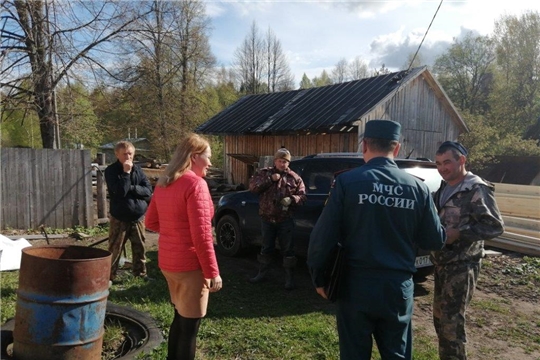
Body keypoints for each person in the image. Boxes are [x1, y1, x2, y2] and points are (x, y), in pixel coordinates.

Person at [307, 120, 446, 359]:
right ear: (397, 148)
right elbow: (434, 239)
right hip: (397, 288)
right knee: (397, 354)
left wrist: (319, 277)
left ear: (364, 146)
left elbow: (323, 237)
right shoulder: (418, 188)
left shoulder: (347, 183)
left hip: (355, 286)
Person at [145, 133, 222, 360]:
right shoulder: (196, 184)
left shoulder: (165, 182)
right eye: (208, 157)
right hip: (189, 267)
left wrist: (174, 231)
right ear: (195, 157)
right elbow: (202, 236)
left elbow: (150, 222)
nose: (210, 162)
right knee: (190, 329)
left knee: (180, 318)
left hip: (169, 263)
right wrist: (213, 272)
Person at [431, 141, 504, 360]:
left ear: (461, 160)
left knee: (452, 326)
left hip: (462, 266)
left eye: (447, 162)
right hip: (442, 263)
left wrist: (459, 233)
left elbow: (495, 226)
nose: (442, 168)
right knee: (440, 320)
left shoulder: (476, 188)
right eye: (438, 163)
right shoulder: (445, 187)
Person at [249, 147, 306, 290]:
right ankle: (262, 273)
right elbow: (253, 188)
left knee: (288, 250)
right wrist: (270, 180)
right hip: (267, 219)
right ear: (275, 161)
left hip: (285, 220)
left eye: (286, 162)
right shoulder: (264, 173)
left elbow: (303, 196)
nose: (283, 164)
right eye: (280, 161)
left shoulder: (295, 178)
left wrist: (292, 199)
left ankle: (289, 279)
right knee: (266, 247)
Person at [105, 140, 153, 282]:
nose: (128, 157)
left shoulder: (138, 170)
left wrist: (132, 188)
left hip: (137, 217)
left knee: (140, 248)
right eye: (124, 154)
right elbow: (120, 191)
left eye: (130, 154)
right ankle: (109, 276)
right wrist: (126, 173)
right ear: (117, 154)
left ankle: (140, 274)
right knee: (115, 248)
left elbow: (148, 191)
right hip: (120, 217)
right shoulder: (112, 171)